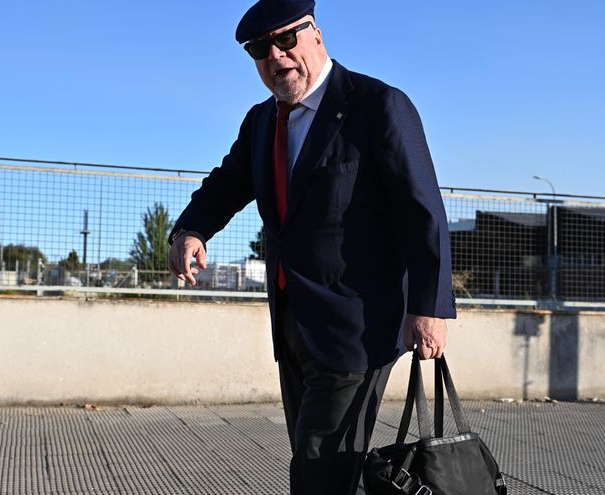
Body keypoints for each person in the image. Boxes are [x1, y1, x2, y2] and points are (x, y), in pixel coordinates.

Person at [167, 1, 455, 493]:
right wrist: (189, 231)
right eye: (260, 49)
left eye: (285, 40)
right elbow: (228, 183)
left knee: (320, 466)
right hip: (293, 326)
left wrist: (430, 307)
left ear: (316, 34)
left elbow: (421, 209)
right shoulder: (261, 122)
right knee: (318, 459)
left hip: (357, 326)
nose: (275, 57)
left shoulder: (377, 105)